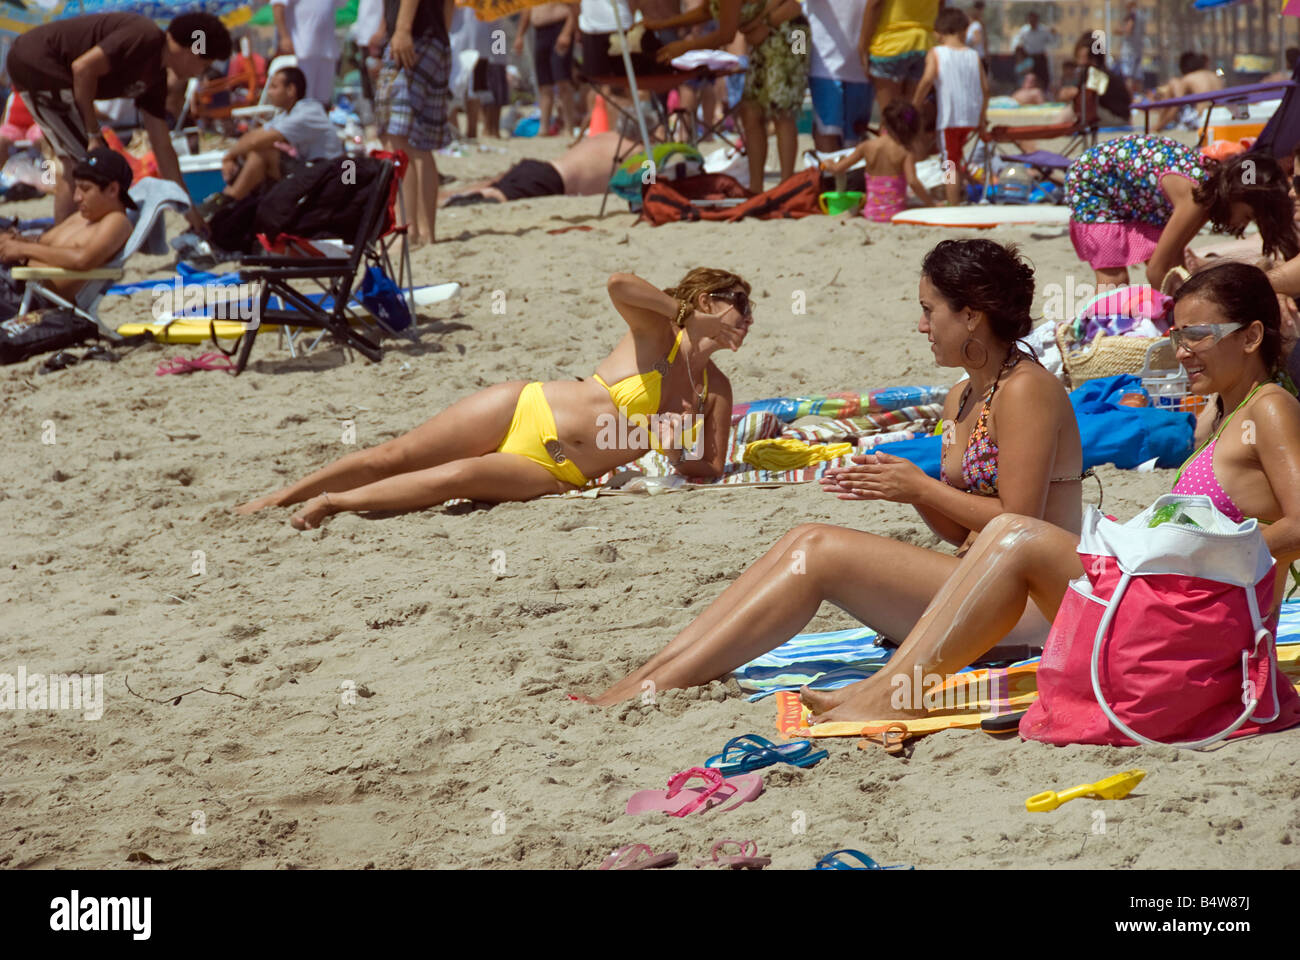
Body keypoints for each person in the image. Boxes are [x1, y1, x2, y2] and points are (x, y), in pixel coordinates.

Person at [586, 240, 1089, 706]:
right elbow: (963, 531)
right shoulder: (962, 397)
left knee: (818, 552)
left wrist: (919, 486)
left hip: (1030, 607)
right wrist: (909, 493)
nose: (921, 326)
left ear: (972, 315)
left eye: (928, 310)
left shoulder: (1026, 390)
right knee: (803, 537)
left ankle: (651, 685)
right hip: (973, 588)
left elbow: (1019, 525)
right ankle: (649, 677)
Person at [797, 262, 1300, 725]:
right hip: (1181, 603)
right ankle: (890, 687)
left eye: (1198, 336)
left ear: (1252, 336)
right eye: (1177, 336)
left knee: (1017, 532)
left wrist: (1201, 550)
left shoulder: (1271, 409)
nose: (1182, 351)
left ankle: (896, 693)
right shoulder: (1224, 415)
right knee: (1012, 535)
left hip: (1203, 629)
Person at [236, 269, 752, 529]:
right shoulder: (657, 332)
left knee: (457, 480)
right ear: (707, 301)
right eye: (740, 308)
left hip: (558, 471)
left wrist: (670, 448)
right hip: (525, 407)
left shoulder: (716, 389)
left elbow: (708, 466)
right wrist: (680, 311)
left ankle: (331, 503)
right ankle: (278, 497)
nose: (748, 320)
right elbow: (618, 283)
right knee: (394, 455)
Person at [4, 11, 231, 228]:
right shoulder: (146, 36)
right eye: (205, 64)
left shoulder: (154, 79)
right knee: (87, 165)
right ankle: (68, 240)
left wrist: (188, 210)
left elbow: (163, 147)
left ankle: (63, 239)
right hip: (39, 60)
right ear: (193, 49)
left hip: (37, 65)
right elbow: (82, 68)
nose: (200, 73)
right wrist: (93, 134)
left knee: (77, 163)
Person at [1065, 136, 1298, 290]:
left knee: (1173, 265)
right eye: (1247, 217)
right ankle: (1101, 340)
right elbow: (1157, 270)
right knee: (1114, 280)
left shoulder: (1211, 191)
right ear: (1237, 195)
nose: (1243, 225)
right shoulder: (1196, 199)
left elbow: (1173, 260)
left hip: (1131, 192)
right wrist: (1184, 312)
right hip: (1093, 182)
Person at [651, 1, 810, 190]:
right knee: (750, 111)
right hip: (766, 37)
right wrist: (662, 25)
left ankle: (786, 187)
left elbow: (727, 34)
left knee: (781, 110)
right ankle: (756, 188)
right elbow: (706, 11)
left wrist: (686, 46)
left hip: (793, 35)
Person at [197, 66, 344, 219]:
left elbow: (256, 140)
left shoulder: (308, 112)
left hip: (327, 175)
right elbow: (252, 137)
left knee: (263, 152)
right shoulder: (287, 114)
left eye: (274, 87)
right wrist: (233, 157)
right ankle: (231, 203)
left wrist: (228, 157)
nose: (269, 92)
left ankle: (230, 200)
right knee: (256, 151)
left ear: (291, 90)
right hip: (311, 170)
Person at [0, 148, 133, 311]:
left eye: (85, 189)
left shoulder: (117, 221)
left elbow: (83, 259)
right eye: (76, 188)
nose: (77, 197)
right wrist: (14, 241)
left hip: (29, 294)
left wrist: (23, 249)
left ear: (113, 189)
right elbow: (41, 241)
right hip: (13, 280)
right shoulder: (83, 217)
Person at [370, 0, 454, 246]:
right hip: (434, 40)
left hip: (415, 39)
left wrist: (402, 30)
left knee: (397, 138)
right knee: (420, 143)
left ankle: (404, 230)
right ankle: (424, 232)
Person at [440, 130, 640, 205]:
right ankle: (443, 202)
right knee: (492, 196)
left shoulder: (610, 134)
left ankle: (440, 197)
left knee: (489, 185)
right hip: (552, 180)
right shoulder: (639, 155)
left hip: (538, 166)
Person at [913, 7, 986, 206]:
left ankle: (953, 205)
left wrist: (915, 105)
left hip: (950, 119)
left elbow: (927, 79)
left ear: (937, 33)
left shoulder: (937, 53)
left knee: (949, 165)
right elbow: (985, 89)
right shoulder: (973, 55)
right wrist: (982, 118)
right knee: (958, 160)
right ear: (964, 30)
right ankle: (961, 198)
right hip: (971, 118)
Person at [823, 100, 935, 220]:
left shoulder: (866, 146)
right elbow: (913, 182)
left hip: (871, 213)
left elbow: (838, 168)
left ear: (884, 122)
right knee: (916, 204)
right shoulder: (905, 151)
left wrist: (828, 163)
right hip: (896, 213)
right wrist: (932, 204)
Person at [805, 0, 872, 154]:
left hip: (861, 67)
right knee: (828, 132)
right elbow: (797, 15)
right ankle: (829, 178)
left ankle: (850, 177)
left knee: (854, 137)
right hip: (823, 66)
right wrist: (799, 59)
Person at [859, 0, 939, 112]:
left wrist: (863, 46)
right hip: (925, 44)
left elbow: (875, 4)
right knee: (910, 117)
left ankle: (890, 129)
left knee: (890, 118)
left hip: (891, 45)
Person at [514, 3, 579, 136]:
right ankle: (544, 127)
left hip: (559, 27)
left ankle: (569, 127)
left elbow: (574, 7)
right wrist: (519, 35)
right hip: (540, 32)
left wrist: (567, 32)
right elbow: (527, 8)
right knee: (544, 84)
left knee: (563, 80)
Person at [271, 0, 343, 104]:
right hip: (302, 50)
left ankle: (321, 119)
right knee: (304, 99)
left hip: (327, 50)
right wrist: (284, 37)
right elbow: (277, 6)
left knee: (324, 99)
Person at [1057, 30, 1132, 127]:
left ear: (1092, 57)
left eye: (1082, 56)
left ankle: (1056, 127)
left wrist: (1074, 93)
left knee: (1076, 107)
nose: (1080, 60)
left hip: (1118, 119)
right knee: (1076, 106)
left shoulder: (1098, 74)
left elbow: (1088, 97)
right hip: (1116, 116)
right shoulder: (1095, 72)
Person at [1152, 52, 1222, 131]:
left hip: (1201, 120)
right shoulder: (1214, 76)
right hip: (1221, 117)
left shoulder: (1188, 78)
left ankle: (1158, 122)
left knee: (1173, 82)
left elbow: (1176, 105)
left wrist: (1158, 126)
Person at [1011, 11, 1054, 92]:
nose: (1032, 22)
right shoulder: (1024, 30)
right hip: (1029, 58)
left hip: (1040, 57)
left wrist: (1053, 33)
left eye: (1034, 20)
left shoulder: (1044, 30)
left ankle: (1044, 93)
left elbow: (1052, 41)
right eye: (1030, 20)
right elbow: (1016, 42)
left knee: (1043, 78)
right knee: (1029, 78)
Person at [1115, 0, 1146, 95]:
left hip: (1129, 51)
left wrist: (1119, 31)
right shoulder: (1142, 15)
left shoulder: (1133, 15)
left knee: (1128, 77)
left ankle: (1130, 99)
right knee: (1137, 77)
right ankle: (1140, 98)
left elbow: (1128, 29)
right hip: (1138, 50)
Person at [965, 1, 986, 66]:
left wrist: (967, 45)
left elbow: (977, 39)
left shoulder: (976, 25)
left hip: (977, 56)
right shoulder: (969, 27)